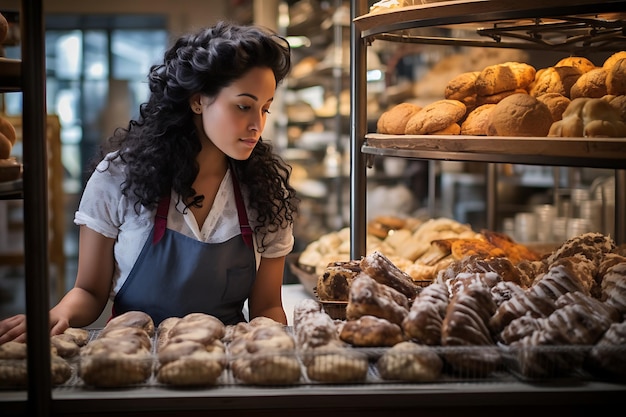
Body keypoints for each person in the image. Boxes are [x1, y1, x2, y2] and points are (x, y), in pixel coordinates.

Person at [0, 21, 298, 343]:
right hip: (133, 353)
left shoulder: (266, 192)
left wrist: (276, 353)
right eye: (244, 106)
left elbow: (267, 306)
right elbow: (89, 290)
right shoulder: (118, 176)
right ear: (198, 101)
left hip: (224, 362)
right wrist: (59, 314)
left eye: (265, 109)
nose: (257, 124)